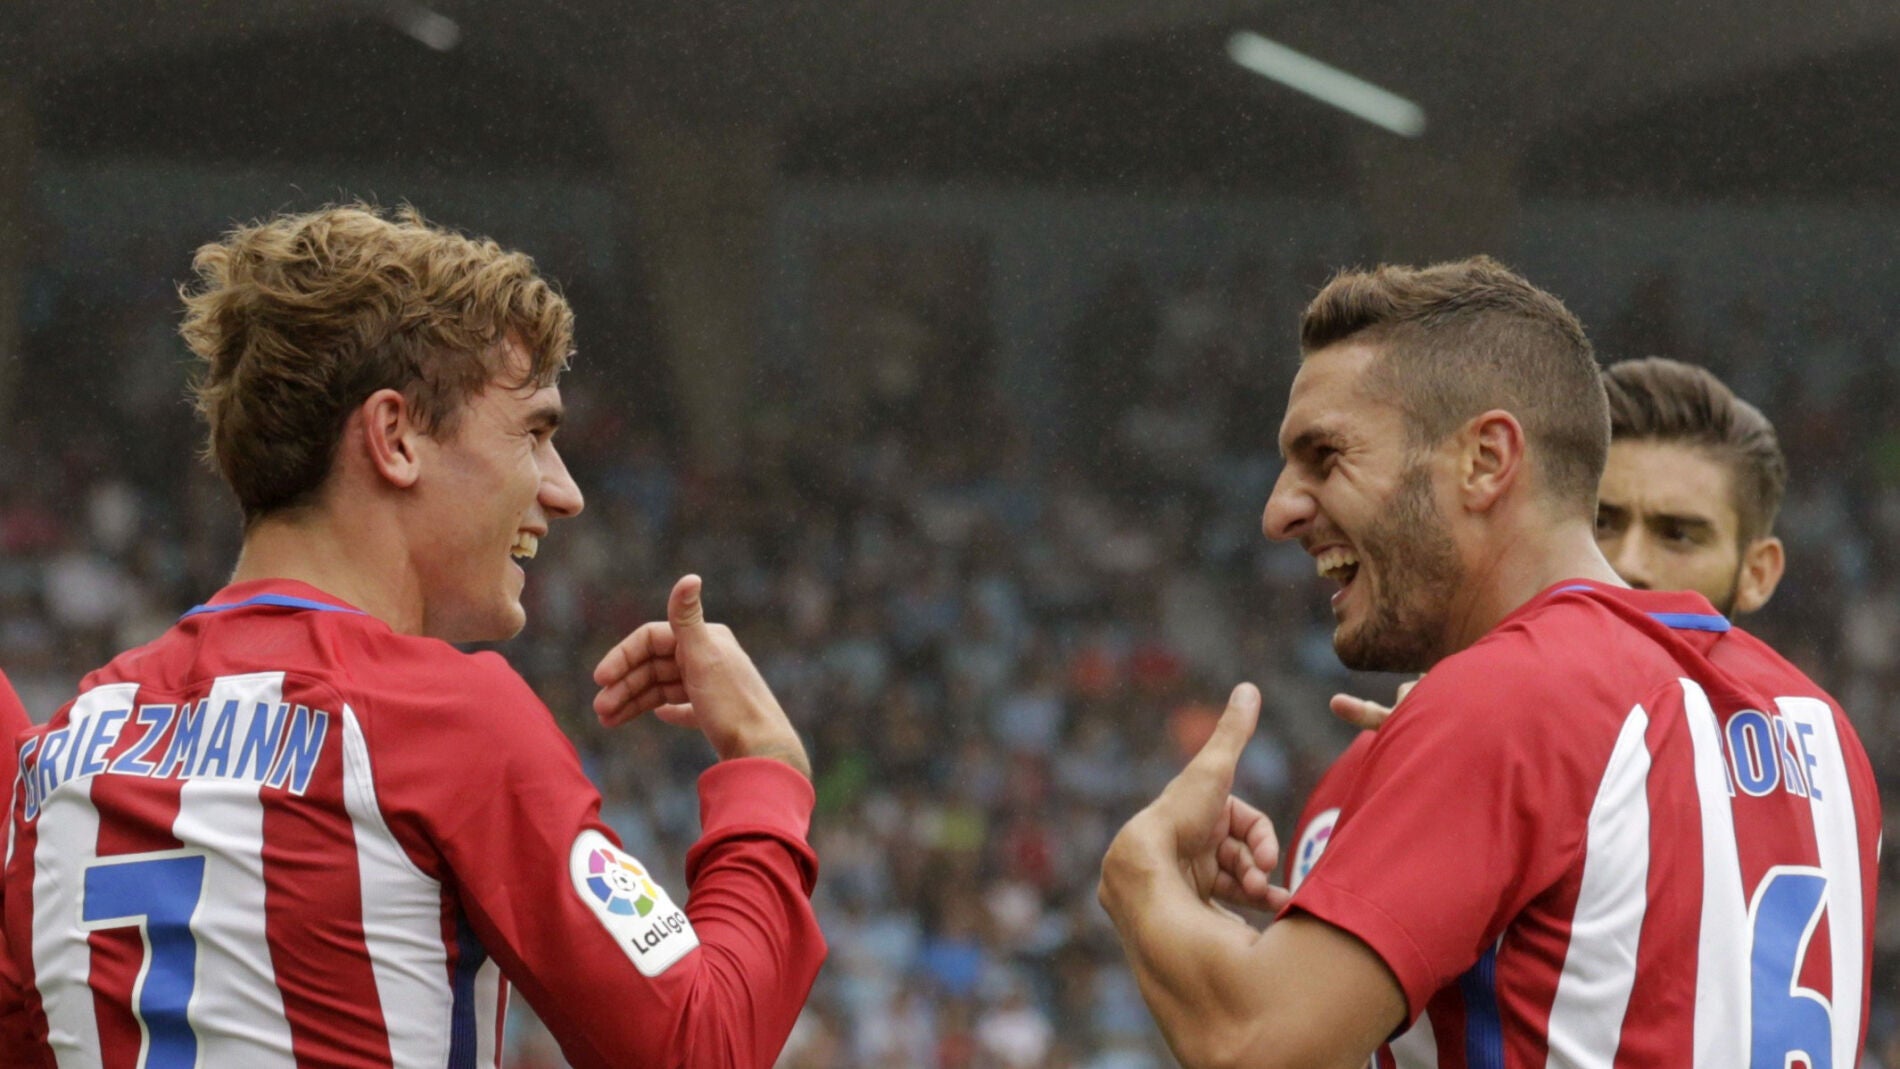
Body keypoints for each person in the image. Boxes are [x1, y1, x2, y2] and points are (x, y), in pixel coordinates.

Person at [0, 204, 825, 1069]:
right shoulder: (441, 718)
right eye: (534, 433)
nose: (564, 490)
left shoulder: (63, 750)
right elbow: (699, 1047)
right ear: (394, 437)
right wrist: (765, 770)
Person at [1098, 258, 1880, 1068]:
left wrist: (1140, 869)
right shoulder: (1821, 728)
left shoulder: (1515, 698)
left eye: (1326, 456)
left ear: (1485, 460)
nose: (1277, 510)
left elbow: (1253, 1043)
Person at [1283, 354, 1801, 1064]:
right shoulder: (1408, 760)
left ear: (1760, 570)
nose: (1631, 564)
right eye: (1604, 523)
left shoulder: (1820, 769)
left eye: (1680, 533)